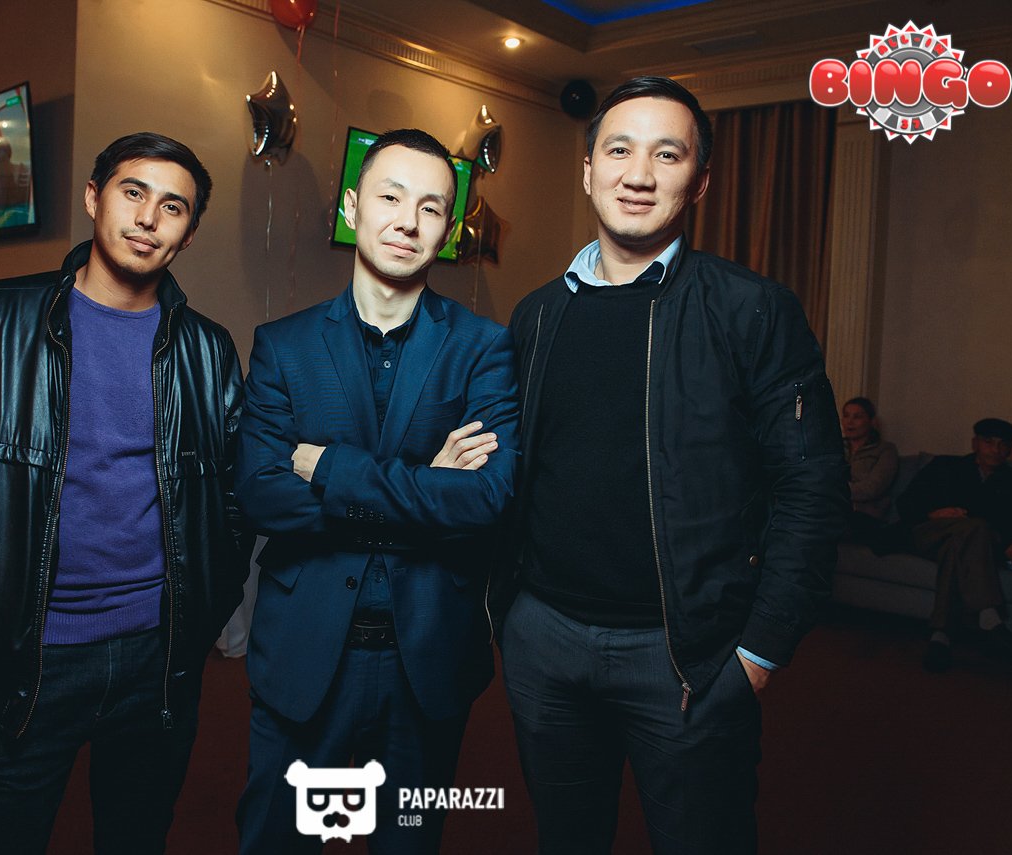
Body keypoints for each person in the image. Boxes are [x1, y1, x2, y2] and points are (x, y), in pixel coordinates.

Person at [0, 132, 247, 854]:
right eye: (133, 192)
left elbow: (235, 493)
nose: (148, 218)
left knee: (136, 840)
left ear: (188, 233)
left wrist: (205, 604)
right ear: (95, 198)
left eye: (173, 207)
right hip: (27, 656)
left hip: (159, 658)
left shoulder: (208, 350)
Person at [495, 76, 847, 854]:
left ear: (700, 181)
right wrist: (511, 617)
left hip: (685, 656)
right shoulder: (536, 314)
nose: (639, 174)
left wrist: (758, 652)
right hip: (544, 642)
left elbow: (812, 487)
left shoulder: (751, 308)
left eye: (667, 154)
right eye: (619, 150)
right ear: (588, 169)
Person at [234, 128, 519, 854]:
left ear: (447, 231)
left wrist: (332, 470)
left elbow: (487, 500)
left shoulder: (484, 348)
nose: (408, 221)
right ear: (353, 207)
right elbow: (260, 494)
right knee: (278, 842)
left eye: (430, 207)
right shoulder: (283, 345)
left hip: (429, 655)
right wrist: (429, 488)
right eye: (390, 197)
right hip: (304, 653)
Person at [897, 417, 1012, 672]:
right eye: (988, 442)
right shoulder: (945, 466)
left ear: (1010, 450)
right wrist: (934, 514)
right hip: (929, 533)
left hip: (972, 546)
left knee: (961, 543)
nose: (995, 450)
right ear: (974, 443)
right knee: (976, 527)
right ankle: (990, 620)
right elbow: (905, 504)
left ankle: (940, 637)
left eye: (1003, 444)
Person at [842, 396, 899, 539]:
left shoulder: (885, 450)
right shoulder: (835, 448)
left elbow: (872, 488)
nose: (850, 422)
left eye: (857, 417)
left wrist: (835, 490)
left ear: (871, 421)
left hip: (865, 514)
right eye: (846, 416)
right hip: (834, 507)